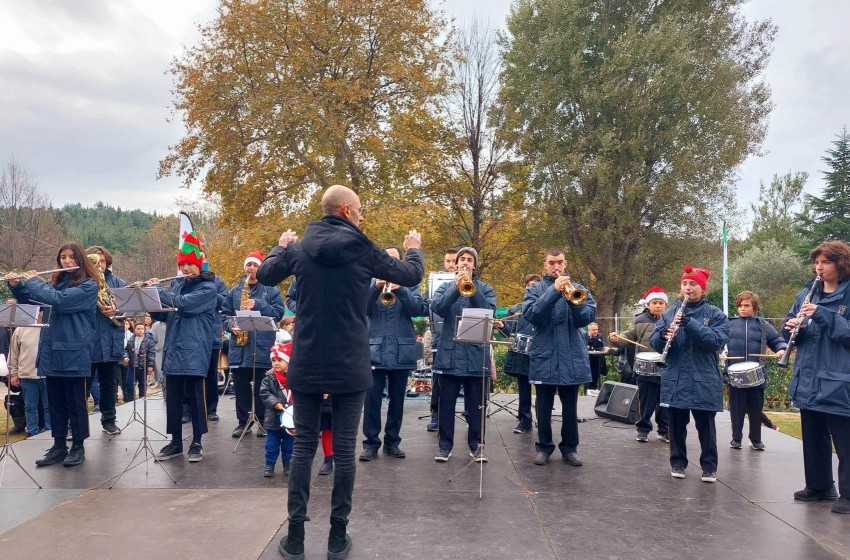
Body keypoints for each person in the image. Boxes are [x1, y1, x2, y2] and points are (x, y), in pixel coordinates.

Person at [257, 184, 423, 559]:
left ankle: (295, 538)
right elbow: (411, 274)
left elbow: (265, 274)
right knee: (345, 450)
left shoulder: (298, 250)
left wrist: (282, 244)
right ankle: (336, 539)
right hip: (349, 362)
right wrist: (413, 246)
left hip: (308, 361)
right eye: (360, 210)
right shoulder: (364, 250)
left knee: (303, 448)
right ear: (347, 210)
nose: (363, 217)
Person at [6, 242, 99, 467]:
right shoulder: (56, 284)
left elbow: (61, 301)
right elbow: (34, 301)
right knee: (55, 402)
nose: (66, 261)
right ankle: (58, 446)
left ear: (80, 260)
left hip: (74, 352)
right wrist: (18, 286)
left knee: (75, 403)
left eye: (71, 257)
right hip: (53, 350)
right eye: (62, 258)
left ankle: (78, 447)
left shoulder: (88, 286)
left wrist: (35, 281)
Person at [784, 240, 850, 514]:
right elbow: (790, 325)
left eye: (824, 262)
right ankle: (820, 486)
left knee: (845, 441)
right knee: (813, 436)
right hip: (809, 375)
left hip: (839, 376)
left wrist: (823, 314)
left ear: (840, 264)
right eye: (817, 262)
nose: (818, 268)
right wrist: (791, 329)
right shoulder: (806, 293)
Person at [650, 266, 729, 483]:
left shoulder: (715, 314)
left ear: (702, 288)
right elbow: (654, 341)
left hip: (703, 378)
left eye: (693, 284)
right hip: (675, 377)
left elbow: (714, 342)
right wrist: (664, 336)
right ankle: (678, 462)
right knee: (676, 425)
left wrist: (689, 323)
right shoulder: (668, 313)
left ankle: (709, 467)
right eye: (685, 283)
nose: (688, 288)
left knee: (706, 426)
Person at [523, 249, 595, 467]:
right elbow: (532, 315)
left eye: (560, 262)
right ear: (545, 265)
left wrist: (572, 300)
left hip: (572, 356)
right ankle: (544, 447)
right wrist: (553, 291)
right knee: (543, 406)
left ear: (566, 264)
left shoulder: (580, 289)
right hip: (545, 355)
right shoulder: (536, 290)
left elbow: (585, 319)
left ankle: (570, 448)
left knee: (570, 408)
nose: (556, 266)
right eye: (552, 262)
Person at [150, 232, 217, 463]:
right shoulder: (176, 286)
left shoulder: (208, 288)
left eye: (190, 264)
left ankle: (197, 441)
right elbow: (162, 314)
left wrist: (158, 292)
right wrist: (149, 298)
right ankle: (176, 441)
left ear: (198, 265)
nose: (186, 268)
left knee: (197, 396)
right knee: (174, 397)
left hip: (194, 348)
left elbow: (184, 306)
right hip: (174, 347)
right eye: (183, 265)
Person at [360, 246, 428, 462]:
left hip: (401, 350)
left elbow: (418, 309)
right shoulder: (370, 282)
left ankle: (392, 442)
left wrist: (400, 289)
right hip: (374, 350)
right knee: (371, 401)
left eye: (394, 259)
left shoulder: (410, 283)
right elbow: (362, 309)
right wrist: (375, 287)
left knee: (397, 400)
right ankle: (370, 444)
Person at [430, 247, 497, 463]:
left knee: (477, 406)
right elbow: (438, 308)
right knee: (446, 405)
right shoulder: (444, 287)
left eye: (470, 260)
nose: (466, 263)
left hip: (476, 356)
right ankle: (444, 446)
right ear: (456, 264)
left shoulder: (486, 288)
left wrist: (472, 288)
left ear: (475, 265)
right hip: (449, 355)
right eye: (462, 260)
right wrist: (456, 288)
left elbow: (489, 310)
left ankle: (476, 446)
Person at [223, 251, 286, 438]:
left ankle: (263, 421)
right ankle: (244, 421)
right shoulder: (234, 291)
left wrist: (258, 304)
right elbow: (223, 315)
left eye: (255, 265)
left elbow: (279, 314)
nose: (251, 269)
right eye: (248, 265)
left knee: (262, 386)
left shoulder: (271, 290)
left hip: (261, 346)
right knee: (241, 387)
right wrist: (230, 325)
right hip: (239, 346)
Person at [725, 290, 787, 451]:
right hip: (735, 375)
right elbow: (718, 342)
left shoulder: (763, 325)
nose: (743, 309)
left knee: (755, 410)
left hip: (757, 375)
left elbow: (777, 341)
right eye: (740, 306)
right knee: (736, 410)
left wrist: (781, 349)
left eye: (747, 306)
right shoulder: (729, 324)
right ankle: (736, 438)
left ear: (755, 308)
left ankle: (756, 440)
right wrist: (719, 352)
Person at [609, 286, 669, 443]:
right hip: (644, 369)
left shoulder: (671, 319)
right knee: (646, 401)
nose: (658, 305)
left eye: (661, 303)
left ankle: (664, 430)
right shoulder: (639, 320)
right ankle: (643, 429)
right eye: (654, 302)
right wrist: (616, 339)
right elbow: (628, 336)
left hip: (666, 368)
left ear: (666, 305)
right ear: (648, 304)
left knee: (664, 402)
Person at [502, 274, 541, 434]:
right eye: (528, 285)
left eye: (534, 285)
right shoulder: (516, 309)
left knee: (542, 391)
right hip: (521, 356)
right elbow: (508, 332)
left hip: (540, 355)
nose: (531, 287)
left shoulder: (545, 308)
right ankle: (525, 421)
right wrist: (501, 325)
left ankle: (542, 419)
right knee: (524, 390)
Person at [425, 248, 458, 432]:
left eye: (454, 261)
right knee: (438, 380)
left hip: (463, 338)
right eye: (448, 261)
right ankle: (436, 414)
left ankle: (469, 415)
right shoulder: (436, 283)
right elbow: (426, 307)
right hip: (440, 337)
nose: (451, 265)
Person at [8, 310, 50, 437]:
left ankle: (50, 431)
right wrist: (13, 373)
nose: (40, 313)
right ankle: (32, 432)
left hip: (48, 375)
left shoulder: (51, 327)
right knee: (29, 406)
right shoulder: (21, 329)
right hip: (26, 374)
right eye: (39, 310)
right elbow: (13, 353)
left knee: (49, 406)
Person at [260, 342, 295, 477]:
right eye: (273, 360)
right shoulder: (269, 378)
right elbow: (265, 393)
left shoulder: (294, 378)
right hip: (273, 418)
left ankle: (288, 465)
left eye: (280, 360)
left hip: (290, 420)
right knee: (271, 445)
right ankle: (269, 465)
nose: (276, 363)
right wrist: (275, 403)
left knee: (289, 445)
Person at [122, 321, 155, 402]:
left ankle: (142, 399)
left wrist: (150, 365)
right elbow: (126, 350)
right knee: (129, 383)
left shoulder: (148, 340)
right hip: (132, 366)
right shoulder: (131, 339)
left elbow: (151, 353)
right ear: (134, 329)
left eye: (142, 329)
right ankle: (131, 400)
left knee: (142, 384)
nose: (140, 330)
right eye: (138, 329)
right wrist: (126, 356)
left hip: (142, 366)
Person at [583, 322, 607, 392]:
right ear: (589, 330)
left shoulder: (600, 336)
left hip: (597, 360)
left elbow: (602, 347)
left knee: (595, 378)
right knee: (587, 380)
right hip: (586, 362)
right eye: (594, 330)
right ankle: (586, 393)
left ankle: (593, 390)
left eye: (597, 329)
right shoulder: (583, 336)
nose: (596, 331)